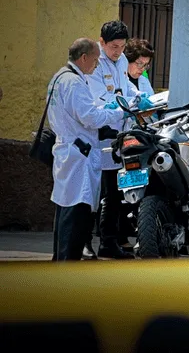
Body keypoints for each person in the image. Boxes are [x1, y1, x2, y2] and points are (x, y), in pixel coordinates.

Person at [48, 38, 131, 261]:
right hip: (78, 155)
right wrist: (119, 112)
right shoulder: (74, 82)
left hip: (69, 150)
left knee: (65, 210)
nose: (96, 66)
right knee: (76, 214)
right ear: (83, 58)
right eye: (95, 61)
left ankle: (60, 261)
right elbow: (90, 117)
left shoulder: (59, 77)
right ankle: (67, 266)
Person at [87, 20, 149, 259]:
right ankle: (85, 242)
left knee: (113, 193)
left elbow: (125, 89)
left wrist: (141, 98)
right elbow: (99, 98)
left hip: (118, 136)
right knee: (92, 193)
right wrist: (122, 104)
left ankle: (108, 242)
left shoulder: (122, 61)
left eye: (122, 47)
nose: (118, 51)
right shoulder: (94, 62)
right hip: (98, 137)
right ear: (102, 42)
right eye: (114, 46)